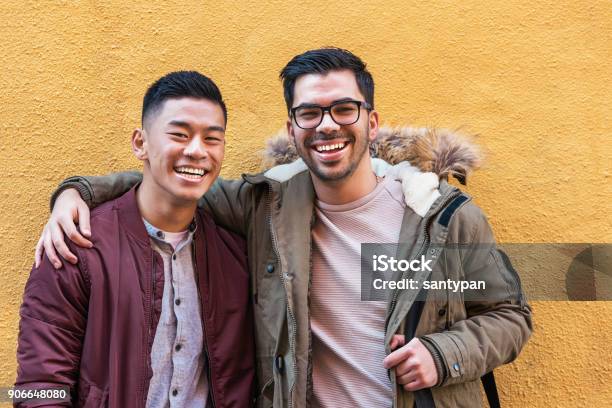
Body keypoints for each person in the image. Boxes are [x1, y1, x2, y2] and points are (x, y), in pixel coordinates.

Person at [37, 48, 532, 407]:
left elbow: (510, 314)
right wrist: (76, 191)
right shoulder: (266, 206)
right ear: (293, 129)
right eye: (309, 113)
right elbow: (175, 179)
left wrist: (444, 354)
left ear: (371, 121)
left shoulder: (439, 218)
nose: (327, 125)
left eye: (344, 109)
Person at [16, 71, 255, 407]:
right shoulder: (77, 245)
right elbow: (38, 388)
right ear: (140, 143)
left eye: (212, 139)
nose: (197, 151)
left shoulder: (237, 256)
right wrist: (72, 192)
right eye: (180, 135)